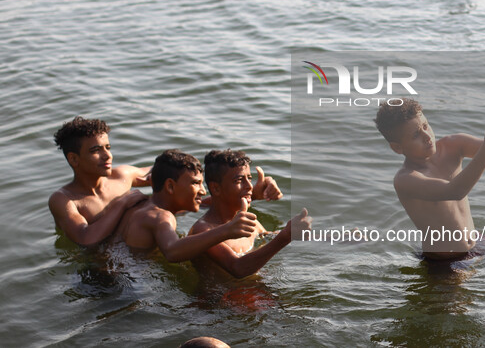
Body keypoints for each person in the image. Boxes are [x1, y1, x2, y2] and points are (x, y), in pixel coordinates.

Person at [375, 98, 485, 266]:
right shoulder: (406, 179)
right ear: (397, 147)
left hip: (478, 242)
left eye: (426, 126)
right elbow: (454, 191)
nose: (427, 136)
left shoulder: (453, 144)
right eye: (415, 135)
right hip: (445, 261)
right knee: (466, 295)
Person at [113, 149, 257, 262]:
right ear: (170, 186)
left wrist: (251, 196)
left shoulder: (144, 206)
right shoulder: (161, 216)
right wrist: (227, 230)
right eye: (195, 183)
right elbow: (172, 251)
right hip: (129, 287)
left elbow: (205, 204)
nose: (203, 190)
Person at [189, 149, 312, 279]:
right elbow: (238, 268)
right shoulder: (204, 230)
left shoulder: (250, 222)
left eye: (249, 178)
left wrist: (310, 234)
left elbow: (269, 237)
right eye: (239, 180)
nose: (249, 186)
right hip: (219, 297)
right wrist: (285, 237)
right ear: (216, 188)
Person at [49, 117, 151, 246]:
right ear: (74, 159)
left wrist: (159, 177)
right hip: (100, 262)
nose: (108, 155)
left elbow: (161, 169)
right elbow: (84, 238)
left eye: (108, 147)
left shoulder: (121, 176)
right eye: (96, 150)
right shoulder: (64, 200)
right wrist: (122, 203)